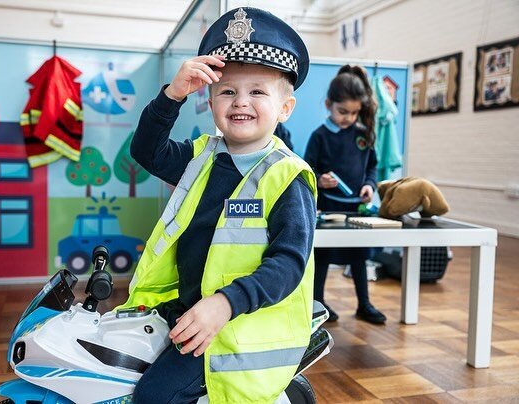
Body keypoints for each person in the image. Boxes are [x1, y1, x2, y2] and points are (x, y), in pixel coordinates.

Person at [121, 7, 317, 404]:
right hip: (190, 310)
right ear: (209, 102)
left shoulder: (288, 176)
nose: (240, 102)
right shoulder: (200, 158)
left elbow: (288, 264)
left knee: (151, 397)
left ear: (285, 108)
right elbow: (145, 150)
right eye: (227, 91)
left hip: (240, 326)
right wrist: (172, 94)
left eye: (257, 91)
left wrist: (226, 304)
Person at [304, 65, 386, 325]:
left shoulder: (363, 135)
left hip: (355, 210)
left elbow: (372, 166)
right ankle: (318, 304)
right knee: (324, 257)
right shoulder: (320, 136)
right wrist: (319, 180)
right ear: (329, 104)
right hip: (327, 208)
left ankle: (364, 303)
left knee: (358, 257)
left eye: (353, 112)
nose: (348, 118)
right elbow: (306, 170)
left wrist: (370, 185)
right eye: (342, 112)